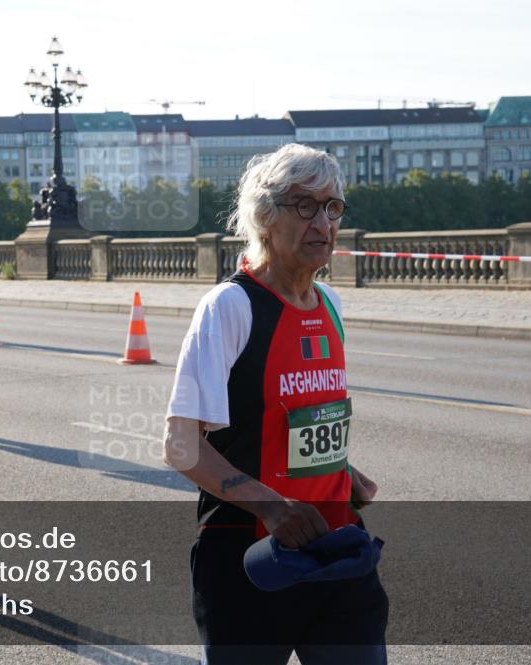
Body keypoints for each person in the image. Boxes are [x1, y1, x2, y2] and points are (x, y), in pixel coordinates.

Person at [163, 143, 387, 664]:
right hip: (251, 559)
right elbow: (180, 446)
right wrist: (272, 505)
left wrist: (342, 470)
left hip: (336, 548)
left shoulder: (330, 304)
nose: (322, 222)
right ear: (265, 217)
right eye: (303, 205)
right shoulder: (230, 307)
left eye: (332, 207)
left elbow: (293, 421)